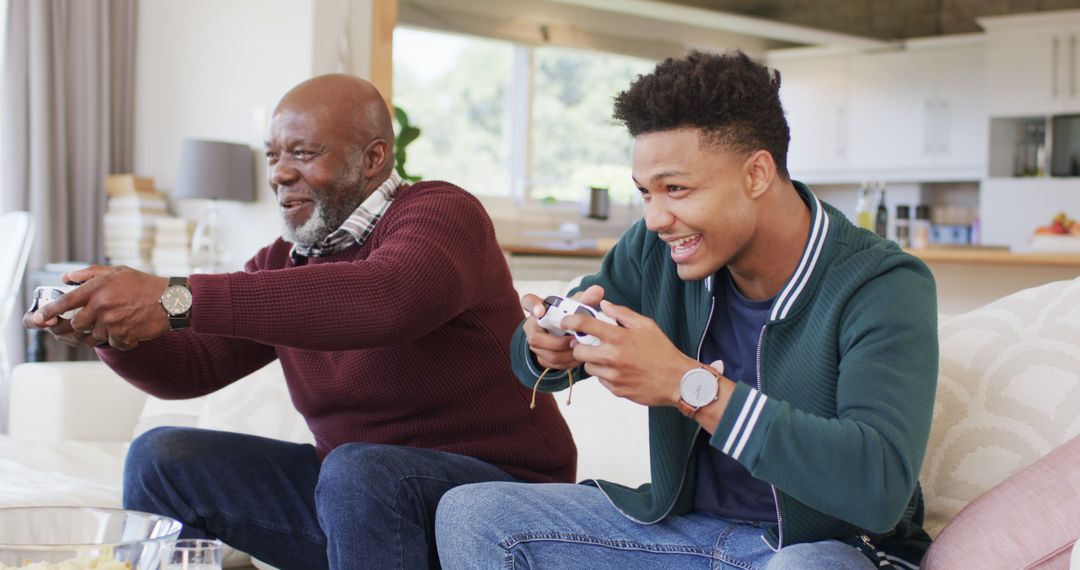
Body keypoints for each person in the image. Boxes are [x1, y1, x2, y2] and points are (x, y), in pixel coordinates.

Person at [25, 74, 576, 570]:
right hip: (361, 507)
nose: (279, 174)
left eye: (304, 153)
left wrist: (171, 295)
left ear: (374, 158)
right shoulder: (282, 263)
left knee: (358, 471)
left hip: (498, 498)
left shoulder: (441, 214)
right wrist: (110, 330)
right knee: (163, 458)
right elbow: (191, 368)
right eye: (272, 156)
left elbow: (388, 299)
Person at [436, 51, 938, 569]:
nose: (655, 218)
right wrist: (547, 347)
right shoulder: (657, 251)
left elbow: (877, 488)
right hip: (683, 533)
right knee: (475, 512)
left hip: (819, 551)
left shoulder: (881, 283)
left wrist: (687, 386)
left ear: (757, 174)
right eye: (645, 193)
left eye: (675, 189)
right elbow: (533, 354)